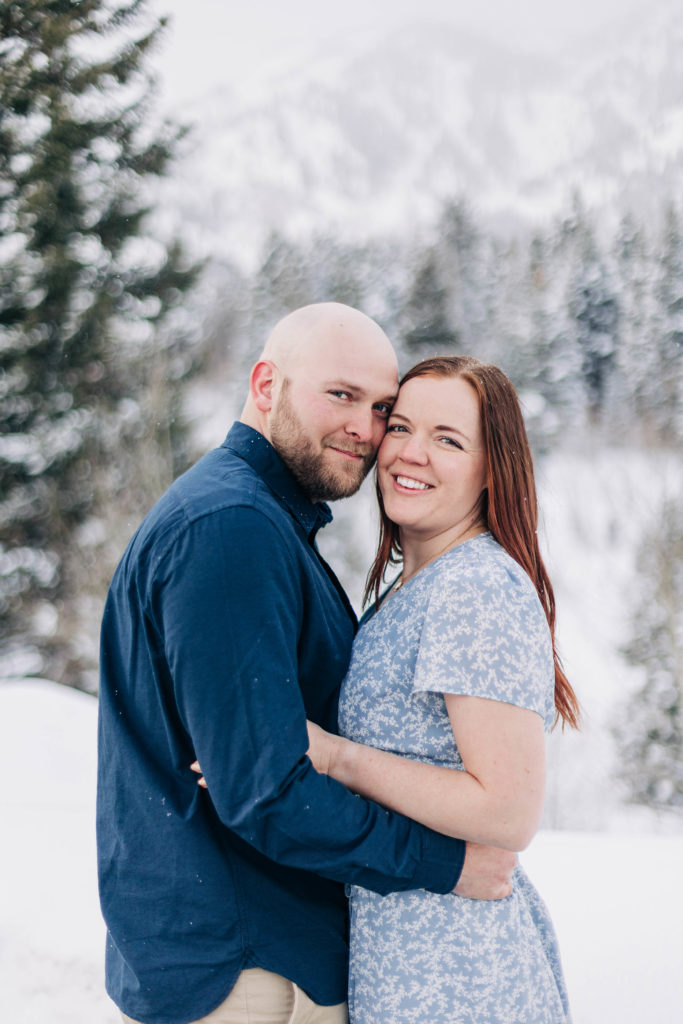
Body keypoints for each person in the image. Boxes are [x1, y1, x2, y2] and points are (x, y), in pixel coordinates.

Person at [96, 305, 515, 1024]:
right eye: (341, 395)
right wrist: (447, 864)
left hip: (249, 952)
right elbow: (265, 791)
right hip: (252, 970)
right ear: (266, 384)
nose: (365, 427)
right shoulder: (232, 528)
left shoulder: (258, 518)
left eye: (381, 407)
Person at [306, 355, 581, 1024]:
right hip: (412, 962)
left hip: (457, 976)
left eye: (447, 439)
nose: (411, 453)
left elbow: (506, 812)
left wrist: (337, 759)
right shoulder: (419, 585)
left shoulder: (474, 588)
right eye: (399, 427)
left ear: (492, 468)